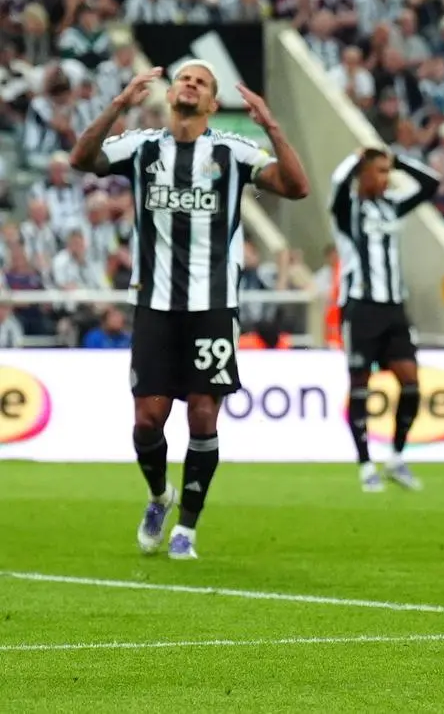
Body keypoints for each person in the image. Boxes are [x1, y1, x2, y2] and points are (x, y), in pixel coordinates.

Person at [69, 61, 309, 560]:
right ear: (171, 92)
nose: (191, 83)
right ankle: (160, 496)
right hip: (154, 304)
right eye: (184, 78)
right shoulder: (140, 146)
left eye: (202, 82)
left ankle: (188, 528)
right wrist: (118, 104)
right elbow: (81, 159)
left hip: (212, 305)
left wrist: (271, 125)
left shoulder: (234, 151)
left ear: (212, 104)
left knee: (202, 415)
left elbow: (296, 186)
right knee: (147, 420)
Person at [329, 147, 440, 492]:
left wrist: (399, 160)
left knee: (411, 382)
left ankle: (395, 457)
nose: (386, 178)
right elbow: (336, 184)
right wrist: (355, 157)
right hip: (360, 307)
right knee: (360, 385)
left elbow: (431, 184)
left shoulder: (392, 205)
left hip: (393, 307)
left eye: (387, 171)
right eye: (378, 171)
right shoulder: (347, 210)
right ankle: (365, 465)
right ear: (362, 175)